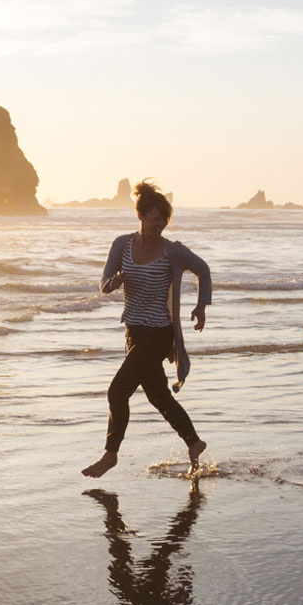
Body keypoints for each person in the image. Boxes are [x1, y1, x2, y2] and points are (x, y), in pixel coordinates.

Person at [81, 181, 211, 478]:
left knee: (117, 391)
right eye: (155, 219)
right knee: (158, 396)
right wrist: (112, 284)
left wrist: (201, 305)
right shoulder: (122, 246)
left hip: (159, 334)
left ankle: (110, 454)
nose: (160, 225)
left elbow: (203, 269)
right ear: (140, 216)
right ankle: (194, 442)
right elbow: (103, 284)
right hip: (133, 333)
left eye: (164, 219)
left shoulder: (173, 251)